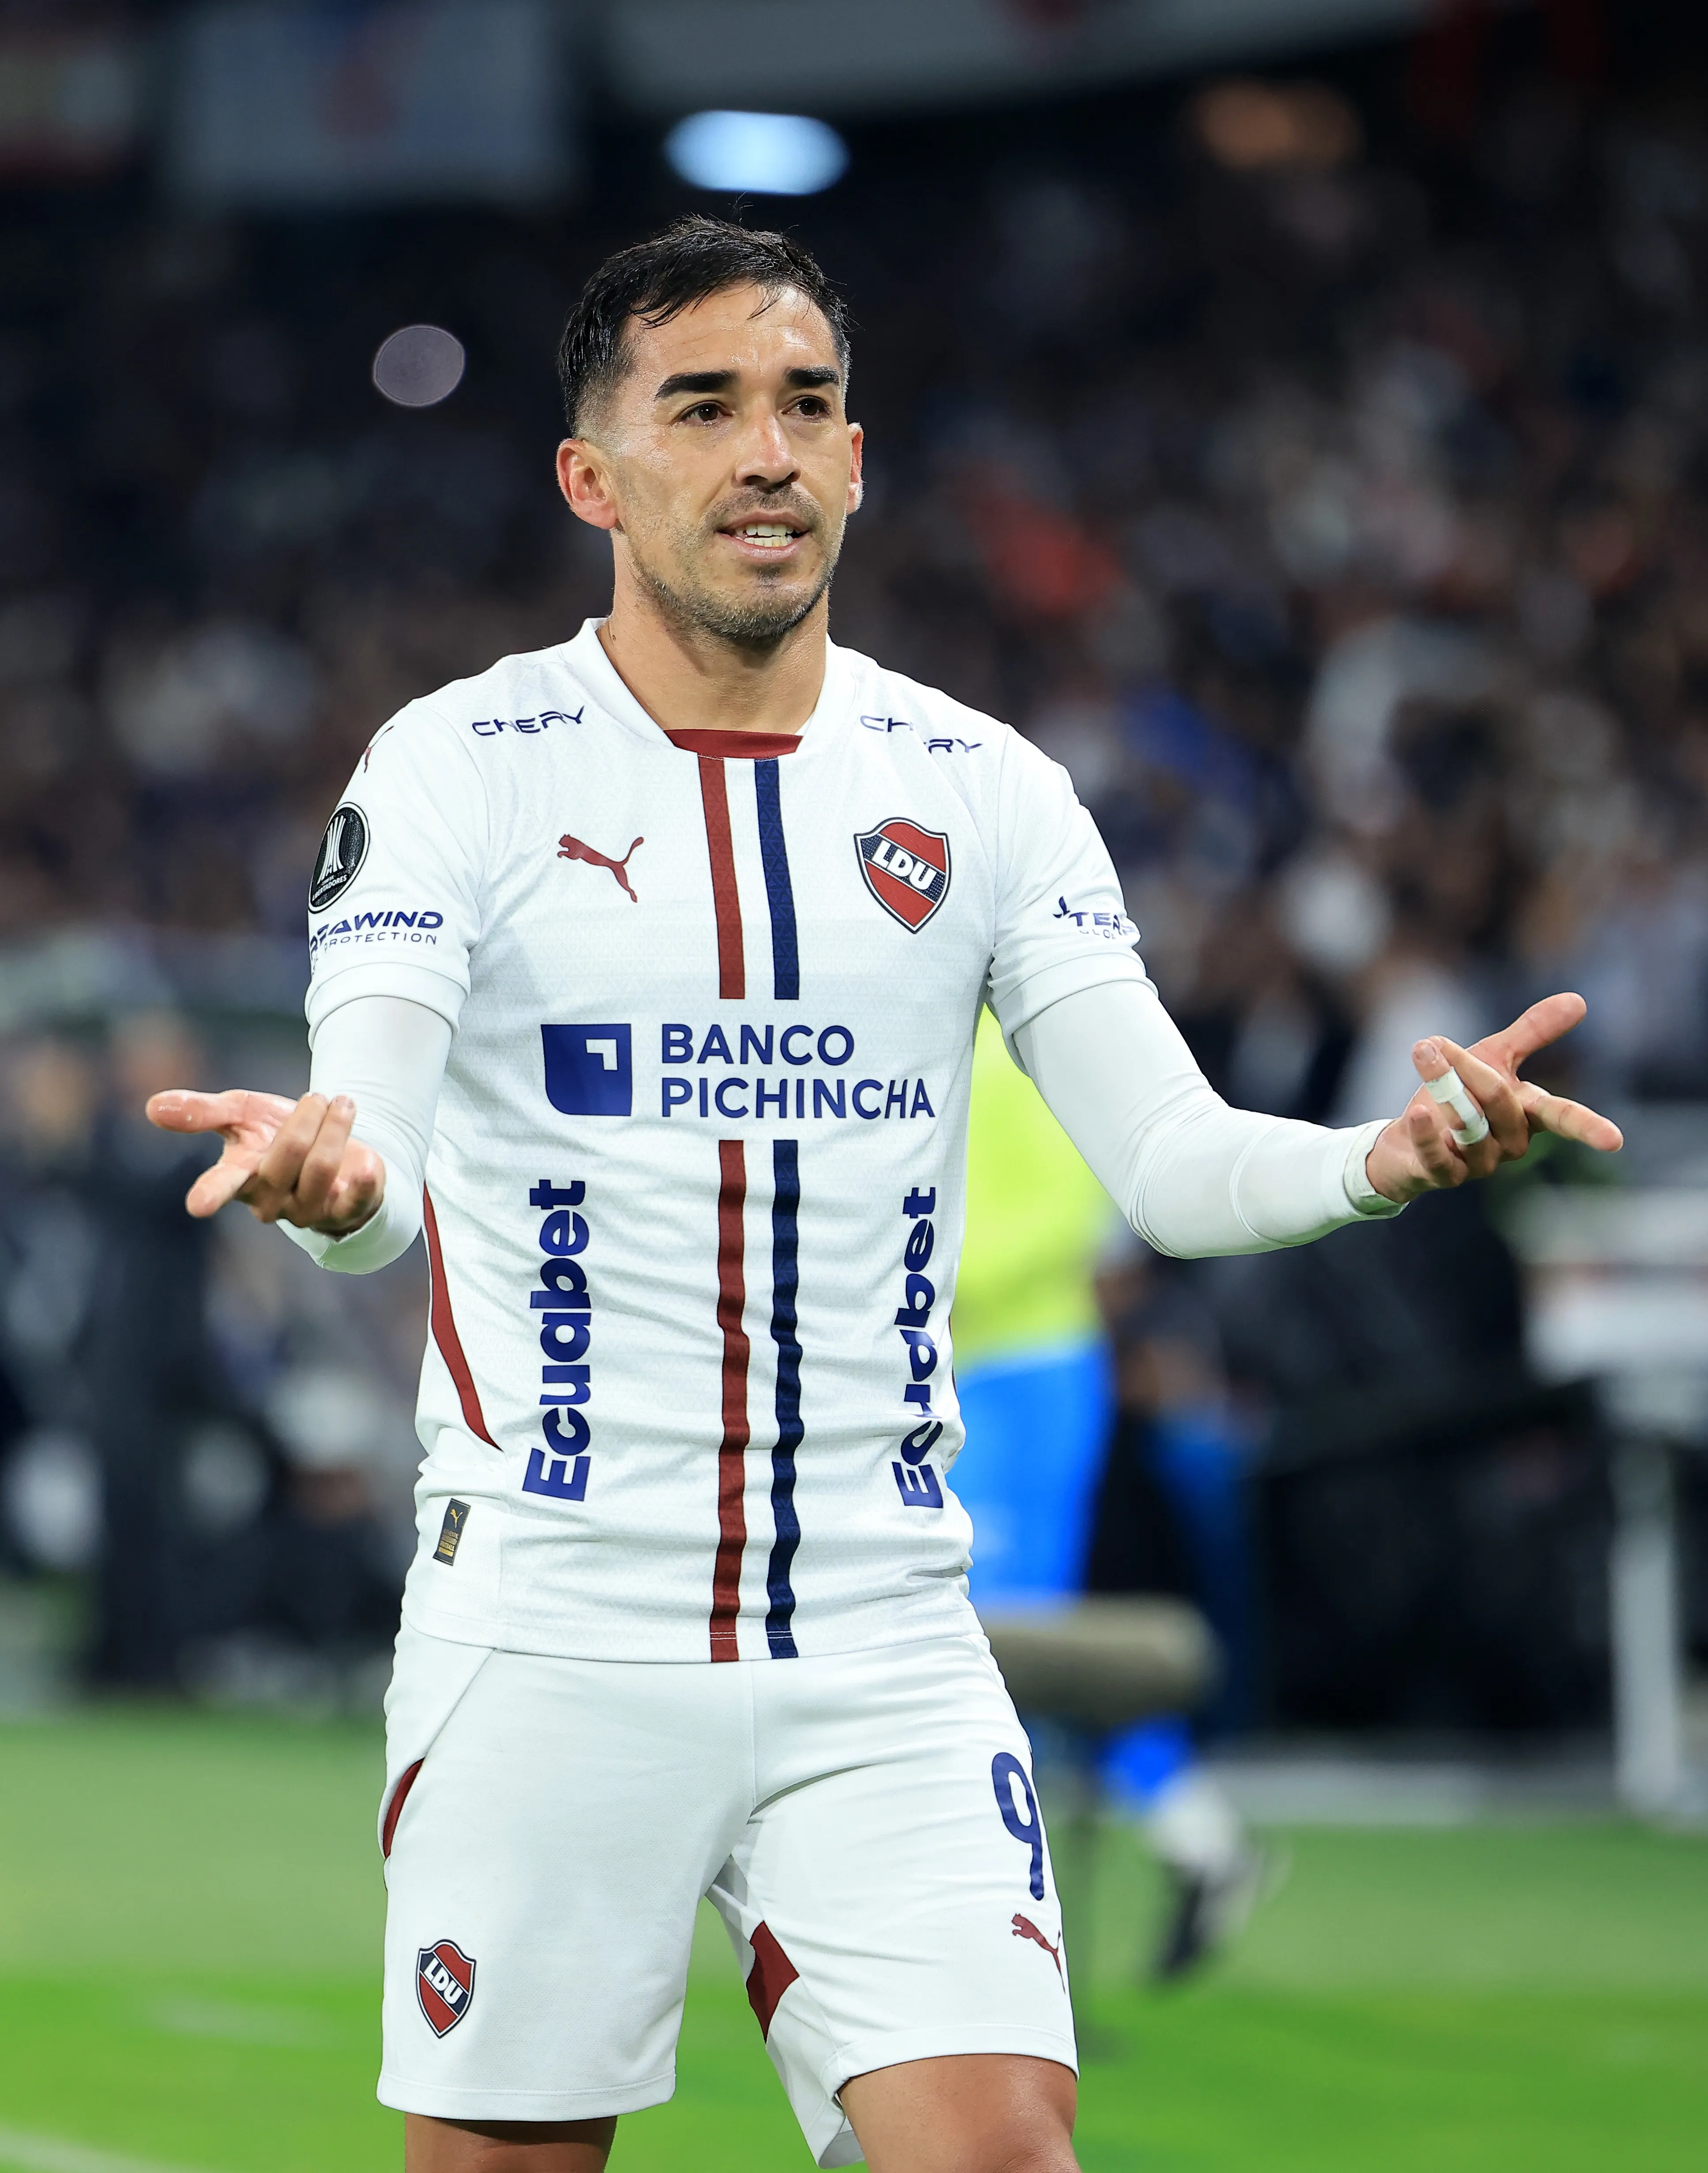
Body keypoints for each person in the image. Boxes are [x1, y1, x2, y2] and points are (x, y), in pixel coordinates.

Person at [146, 217, 1622, 2173]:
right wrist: (329, 1182)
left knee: (1002, 2150)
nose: (767, 449)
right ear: (594, 476)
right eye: (705, 407)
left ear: (857, 457)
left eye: (807, 406)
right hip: (555, 1626)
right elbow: (375, 1147)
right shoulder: (454, 769)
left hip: (885, 1636)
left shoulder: (987, 786)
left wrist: (1386, 1157)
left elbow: (1173, 1164)